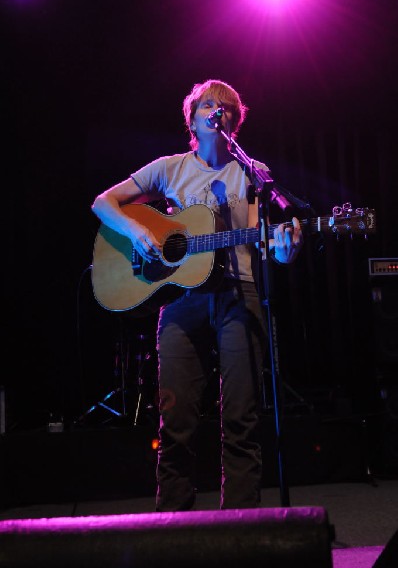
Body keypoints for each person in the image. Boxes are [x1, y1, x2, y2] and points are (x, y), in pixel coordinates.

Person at [91, 78, 303, 511]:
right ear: (193, 118)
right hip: (180, 303)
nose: (217, 111)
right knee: (177, 422)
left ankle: (240, 527)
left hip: (238, 295)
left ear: (234, 121)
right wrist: (138, 231)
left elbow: (266, 244)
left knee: (241, 419)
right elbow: (103, 202)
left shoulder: (252, 172)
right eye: (208, 105)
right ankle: (173, 526)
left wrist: (285, 249)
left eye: (225, 107)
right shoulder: (169, 168)